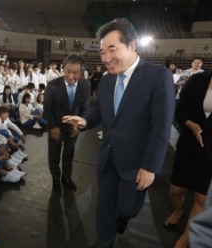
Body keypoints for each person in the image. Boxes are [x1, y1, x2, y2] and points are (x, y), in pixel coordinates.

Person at [62, 18, 175, 247]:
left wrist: (150, 167)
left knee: (128, 208)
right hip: (107, 158)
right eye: (103, 52)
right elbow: (101, 112)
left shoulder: (158, 77)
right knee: (103, 206)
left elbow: (161, 127)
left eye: (112, 50)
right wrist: (85, 120)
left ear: (132, 45)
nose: (106, 58)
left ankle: (123, 217)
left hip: (137, 163)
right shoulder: (105, 80)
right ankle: (105, 241)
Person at [165, 70, 212, 248]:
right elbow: (180, 111)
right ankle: (178, 211)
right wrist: (190, 124)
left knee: (201, 198)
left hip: (210, 152)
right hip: (189, 144)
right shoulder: (198, 80)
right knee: (176, 190)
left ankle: (185, 238)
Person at [43, 53, 90, 192]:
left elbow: (85, 108)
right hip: (55, 128)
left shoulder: (86, 85)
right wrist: (53, 126)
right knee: (54, 156)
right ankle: (56, 180)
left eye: (75, 73)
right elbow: (47, 108)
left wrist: (78, 126)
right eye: (68, 71)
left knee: (69, 155)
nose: (70, 76)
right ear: (63, 69)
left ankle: (66, 178)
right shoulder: (52, 85)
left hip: (73, 129)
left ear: (82, 73)